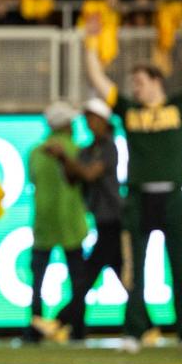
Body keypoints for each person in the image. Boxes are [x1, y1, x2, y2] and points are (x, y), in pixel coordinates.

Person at [85, 4, 182, 352]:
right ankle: (135, 329)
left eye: (140, 82)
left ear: (157, 81)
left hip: (172, 195)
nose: (136, 89)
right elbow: (98, 80)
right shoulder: (128, 110)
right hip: (139, 196)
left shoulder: (178, 105)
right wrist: (90, 45)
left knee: (181, 265)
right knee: (134, 268)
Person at [56, 99, 127, 340]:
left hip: (114, 216)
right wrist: (64, 162)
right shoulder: (87, 149)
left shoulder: (109, 147)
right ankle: (145, 323)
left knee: (90, 271)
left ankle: (62, 320)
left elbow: (88, 173)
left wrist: (65, 158)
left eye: (92, 118)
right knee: (119, 271)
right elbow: (72, 179)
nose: (88, 123)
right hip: (101, 217)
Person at [26, 102, 90, 343]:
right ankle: (78, 327)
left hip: (43, 223)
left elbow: (32, 178)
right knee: (78, 278)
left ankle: (35, 327)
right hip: (72, 222)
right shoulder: (75, 149)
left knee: (38, 280)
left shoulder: (35, 151)